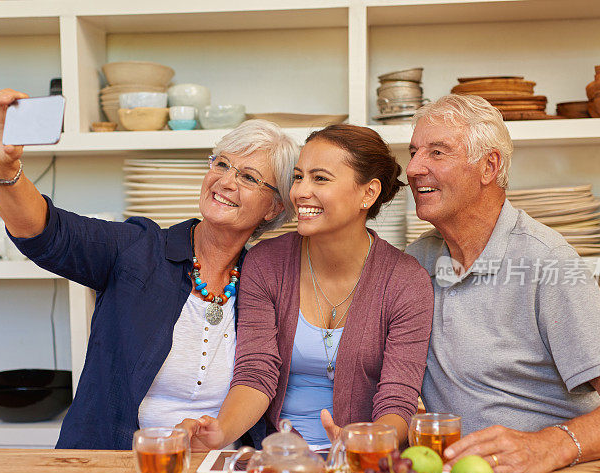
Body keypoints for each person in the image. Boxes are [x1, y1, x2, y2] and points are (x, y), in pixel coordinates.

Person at [0, 89, 299, 449]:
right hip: (116, 463)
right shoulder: (138, 249)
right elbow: (46, 232)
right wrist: (2, 168)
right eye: (221, 164)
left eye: (249, 177)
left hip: (216, 468)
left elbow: (261, 375)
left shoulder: (264, 279)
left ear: (273, 209)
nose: (226, 181)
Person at [404, 94, 600, 473]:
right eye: (414, 152)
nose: (413, 168)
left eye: (437, 152)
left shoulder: (547, 259)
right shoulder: (417, 261)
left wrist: (544, 447)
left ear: (489, 166)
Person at [180, 124, 434, 450]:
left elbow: (398, 398)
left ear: (367, 193)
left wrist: (369, 442)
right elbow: (256, 372)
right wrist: (221, 432)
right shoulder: (266, 263)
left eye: (320, 178)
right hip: (277, 456)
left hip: (364, 464)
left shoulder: (406, 282)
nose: (299, 192)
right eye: (298, 176)